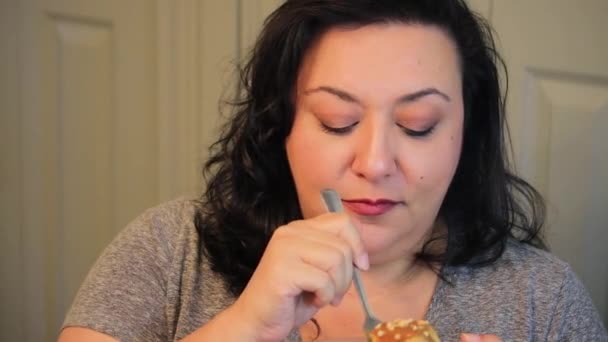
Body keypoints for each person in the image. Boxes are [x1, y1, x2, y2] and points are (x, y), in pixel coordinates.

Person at [59, 0, 607, 341]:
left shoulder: (542, 302)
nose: (373, 163)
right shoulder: (169, 253)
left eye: (418, 126)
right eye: (337, 121)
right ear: (283, 128)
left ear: (467, 132)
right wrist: (244, 328)